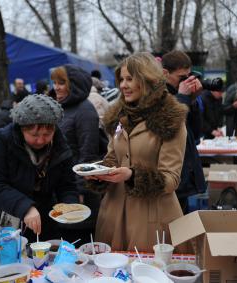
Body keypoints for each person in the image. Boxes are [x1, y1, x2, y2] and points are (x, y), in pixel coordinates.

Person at [85, 52, 188, 252]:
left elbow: (171, 179)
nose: (123, 85)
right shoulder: (118, 116)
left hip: (149, 218)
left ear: (147, 79)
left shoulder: (170, 120)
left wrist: (132, 175)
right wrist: (98, 173)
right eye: (121, 79)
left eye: (130, 79)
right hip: (113, 213)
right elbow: (112, 157)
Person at [0, 94, 79, 242]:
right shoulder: (2, 140)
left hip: (44, 223)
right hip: (6, 220)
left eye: (47, 134)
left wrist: (69, 204)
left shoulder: (59, 143)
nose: (41, 140)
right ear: (22, 129)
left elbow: (67, 184)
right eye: (34, 135)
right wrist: (25, 207)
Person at [51, 65, 101, 242]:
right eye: (54, 82)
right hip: (63, 187)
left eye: (61, 83)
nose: (56, 87)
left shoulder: (85, 111)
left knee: (78, 239)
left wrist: (79, 190)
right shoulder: (62, 107)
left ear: (75, 85)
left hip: (80, 191)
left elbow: (88, 155)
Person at [161, 50, 206, 213]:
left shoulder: (181, 95)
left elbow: (194, 133)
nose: (186, 81)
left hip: (183, 172)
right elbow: (169, 128)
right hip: (169, 176)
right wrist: (183, 97)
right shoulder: (158, 95)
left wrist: (192, 99)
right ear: (165, 73)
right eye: (182, 77)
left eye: (188, 76)